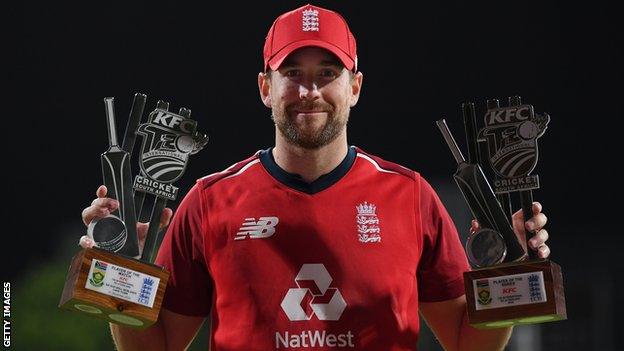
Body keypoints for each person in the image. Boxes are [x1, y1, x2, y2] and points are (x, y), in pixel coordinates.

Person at [80, 4, 551, 350]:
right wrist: (114, 272)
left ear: (355, 87)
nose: (310, 90)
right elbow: (156, 347)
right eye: (292, 72)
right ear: (266, 88)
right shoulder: (210, 200)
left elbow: (467, 342)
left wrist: (507, 273)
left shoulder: (409, 196)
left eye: (327, 72)